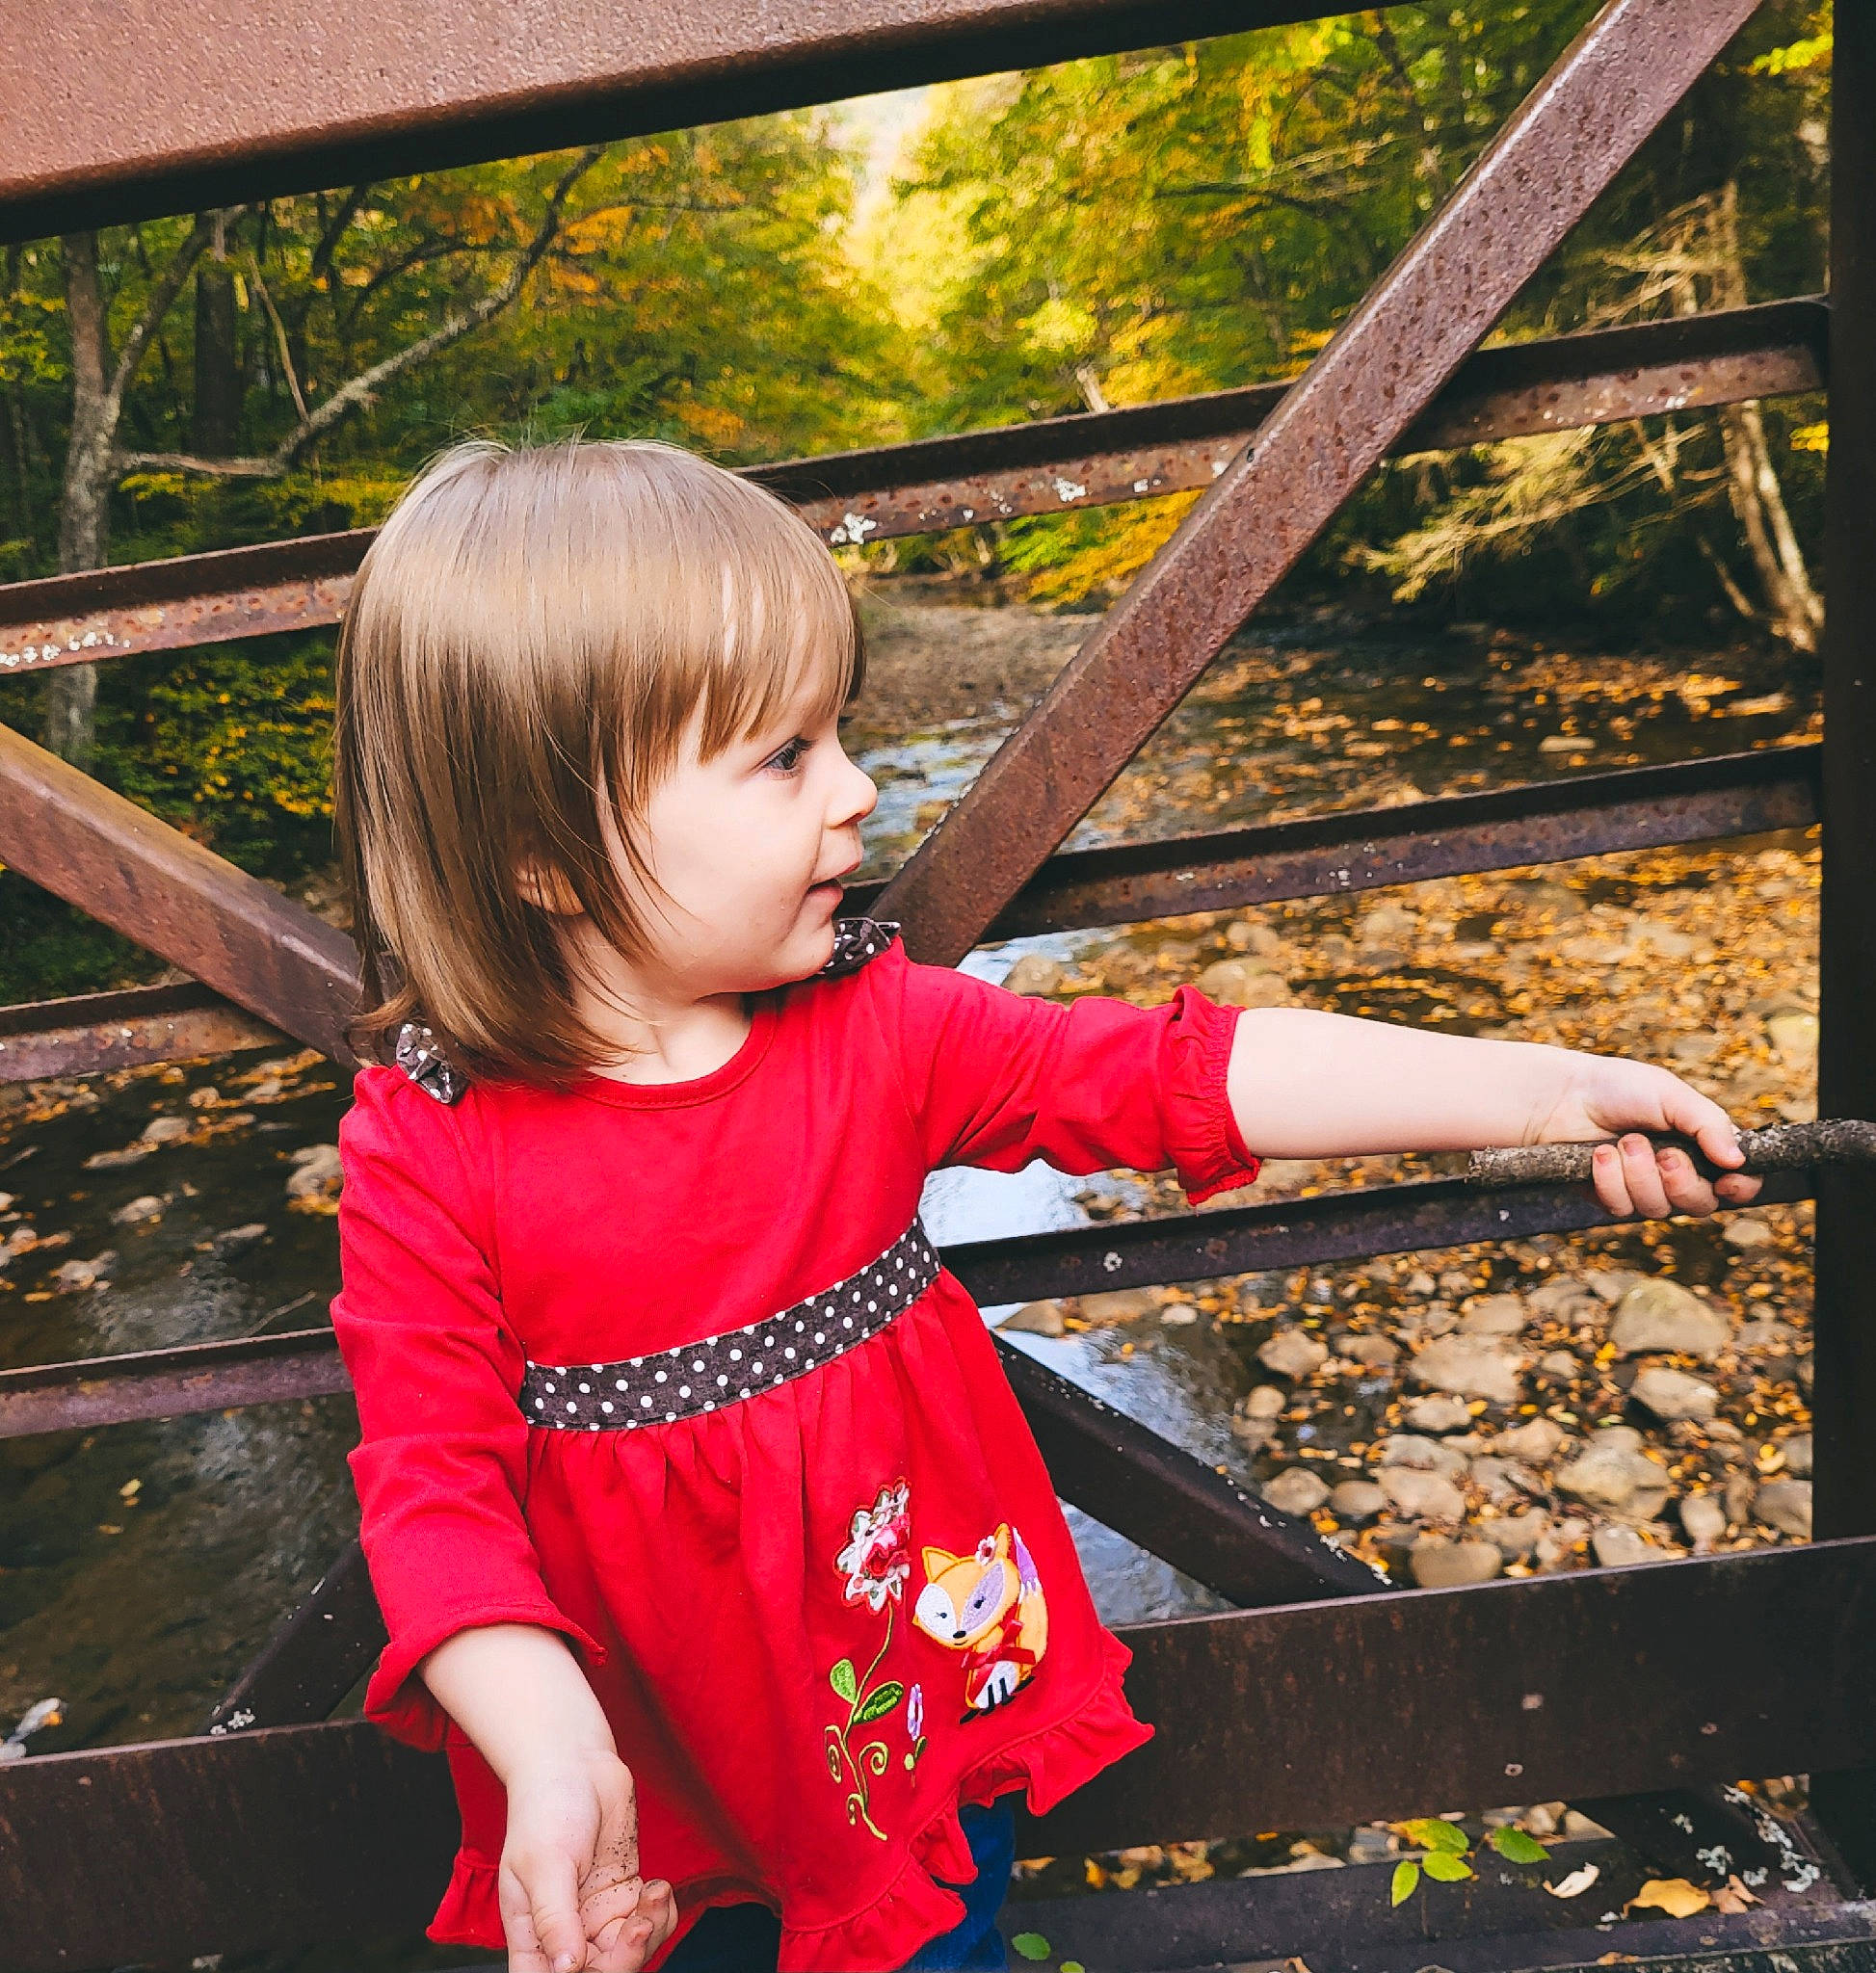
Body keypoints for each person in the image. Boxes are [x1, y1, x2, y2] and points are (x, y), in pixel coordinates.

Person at [327, 437, 1760, 1973]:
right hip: (644, 1792)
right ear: (544, 857)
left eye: (839, 733)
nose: (858, 792)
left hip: (907, 1731)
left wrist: (1542, 1092)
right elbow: (432, 1489)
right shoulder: (431, 1148)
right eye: (784, 757)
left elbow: (1187, 1073)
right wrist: (550, 1747)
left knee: (947, 1944)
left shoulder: (874, 1033)